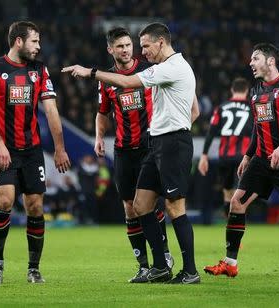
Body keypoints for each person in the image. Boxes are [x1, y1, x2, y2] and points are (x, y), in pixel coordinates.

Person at [62, 22, 200, 284]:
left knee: (174, 207)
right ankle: (159, 266)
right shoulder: (163, 68)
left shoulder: (172, 67)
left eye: (145, 46)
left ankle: (190, 271)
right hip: (154, 144)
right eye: (134, 46)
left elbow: (127, 82)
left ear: (161, 42)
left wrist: (90, 72)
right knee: (139, 205)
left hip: (171, 143)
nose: (141, 52)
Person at [204, 43, 279, 279]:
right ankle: (230, 263)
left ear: (270, 61)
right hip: (261, 160)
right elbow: (258, 129)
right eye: (250, 59)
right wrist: (248, 156)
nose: (250, 63)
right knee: (236, 203)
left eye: (255, 58)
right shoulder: (256, 90)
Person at [0, 21, 71, 285]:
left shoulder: (39, 70)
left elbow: (51, 109)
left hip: (31, 151)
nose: (39, 47)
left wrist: (60, 148)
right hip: (3, 149)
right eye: (34, 42)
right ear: (18, 41)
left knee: (35, 206)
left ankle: (33, 268)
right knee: (5, 202)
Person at [95, 27, 173, 282]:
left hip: (149, 147)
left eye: (129, 45)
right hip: (123, 150)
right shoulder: (106, 80)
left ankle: (163, 254)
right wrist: (99, 137)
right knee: (129, 208)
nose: (126, 50)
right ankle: (143, 265)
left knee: (150, 204)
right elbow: (102, 112)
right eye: (120, 46)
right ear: (111, 50)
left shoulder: (148, 71)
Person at [198, 77, 253, 217]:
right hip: (244, 156)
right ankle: (240, 220)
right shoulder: (252, 108)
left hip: (225, 155)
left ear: (232, 90)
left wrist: (204, 155)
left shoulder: (221, 108)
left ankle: (229, 219)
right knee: (244, 190)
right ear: (246, 91)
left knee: (227, 192)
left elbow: (211, 133)